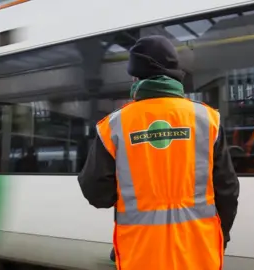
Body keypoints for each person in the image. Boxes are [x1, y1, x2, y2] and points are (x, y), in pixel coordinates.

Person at [78, 35, 239, 270]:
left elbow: (95, 192)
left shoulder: (114, 126)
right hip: (200, 253)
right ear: (175, 72)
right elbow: (227, 190)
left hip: (140, 255)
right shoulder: (207, 120)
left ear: (136, 76)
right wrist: (220, 237)